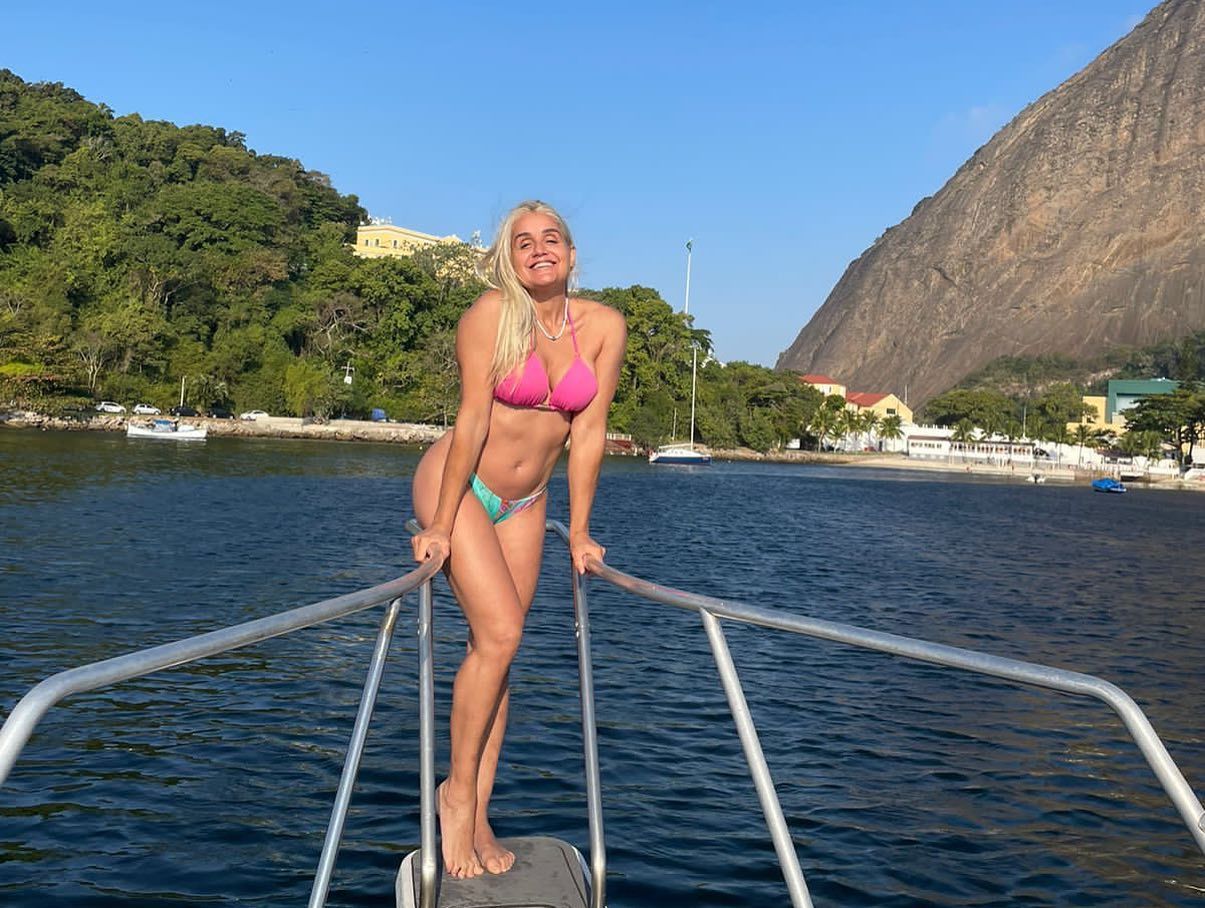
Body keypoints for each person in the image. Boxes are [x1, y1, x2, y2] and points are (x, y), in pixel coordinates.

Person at [410, 200, 627, 879]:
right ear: (509, 258)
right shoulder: (490, 315)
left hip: (527, 503)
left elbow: (588, 434)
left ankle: (477, 812)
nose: (539, 249)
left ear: (570, 253)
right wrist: (440, 521)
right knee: (501, 633)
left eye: (550, 237)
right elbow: (472, 419)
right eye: (523, 241)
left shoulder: (604, 326)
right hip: (459, 480)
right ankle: (455, 796)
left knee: (497, 654)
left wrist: (580, 530)